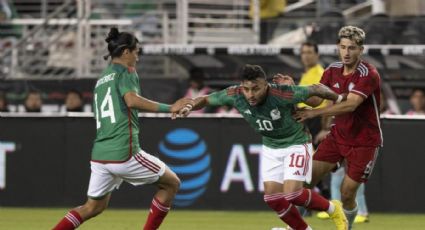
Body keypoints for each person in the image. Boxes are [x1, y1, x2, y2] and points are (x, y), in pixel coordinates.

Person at [52, 28, 193, 230]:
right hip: (123, 152)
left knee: (92, 207)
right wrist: (170, 107)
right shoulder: (126, 71)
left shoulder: (102, 79)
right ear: (126, 52)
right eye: (136, 51)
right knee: (172, 183)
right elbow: (131, 100)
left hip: (100, 155)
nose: (138, 56)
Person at [183, 64, 348, 230]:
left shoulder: (281, 93)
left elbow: (316, 89)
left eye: (256, 89)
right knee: (273, 199)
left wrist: (340, 99)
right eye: (246, 89)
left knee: (293, 194)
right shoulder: (235, 95)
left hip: (296, 143)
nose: (251, 94)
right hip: (271, 147)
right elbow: (205, 99)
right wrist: (190, 106)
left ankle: (333, 209)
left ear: (266, 85)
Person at [293, 26, 382, 230]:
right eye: (343, 47)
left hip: (364, 141)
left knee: (347, 193)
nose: (346, 52)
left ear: (361, 50)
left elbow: (350, 104)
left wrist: (312, 114)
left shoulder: (368, 73)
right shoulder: (332, 70)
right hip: (337, 137)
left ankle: (346, 227)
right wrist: (296, 94)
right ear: (337, 47)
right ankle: (294, 228)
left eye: (352, 48)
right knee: (304, 182)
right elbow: (317, 99)